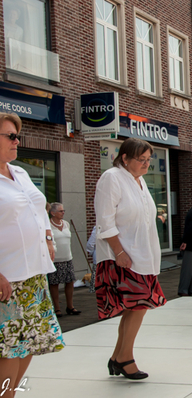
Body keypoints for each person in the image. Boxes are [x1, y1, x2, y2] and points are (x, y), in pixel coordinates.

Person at [0, 113, 65, 397]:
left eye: (17, 135)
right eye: (10, 136)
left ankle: (11, 394)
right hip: (7, 277)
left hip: (34, 274)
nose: (17, 140)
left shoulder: (20, 172)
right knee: (9, 347)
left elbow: (39, 207)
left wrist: (47, 237)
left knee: (29, 343)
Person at [94, 137, 166, 380]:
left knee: (136, 308)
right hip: (123, 255)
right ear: (124, 158)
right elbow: (105, 219)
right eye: (141, 159)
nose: (146, 164)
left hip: (142, 255)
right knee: (138, 306)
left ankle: (118, 357)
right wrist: (120, 252)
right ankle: (124, 358)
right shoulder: (112, 177)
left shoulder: (140, 181)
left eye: (149, 160)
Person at [48, 202, 81, 317]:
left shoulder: (66, 224)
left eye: (63, 211)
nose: (63, 213)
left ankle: (70, 306)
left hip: (68, 258)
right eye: (60, 211)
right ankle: (57, 308)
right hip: (55, 260)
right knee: (54, 283)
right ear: (53, 213)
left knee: (69, 282)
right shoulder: (49, 225)